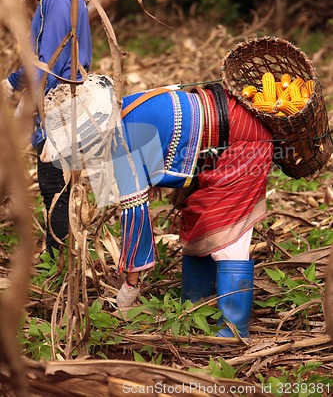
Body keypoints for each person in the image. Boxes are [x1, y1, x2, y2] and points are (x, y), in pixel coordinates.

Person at [41, 77, 274, 338]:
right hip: (219, 134)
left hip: (242, 139)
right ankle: (193, 307)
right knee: (198, 222)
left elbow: (136, 219)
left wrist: (130, 285)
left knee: (226, 233)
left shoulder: (121, 144)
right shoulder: (125, 108)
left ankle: (234, 330)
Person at [2, 0, 92, 254]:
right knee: (60, 183)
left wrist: (27, 109)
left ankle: (61, 262)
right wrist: (13, 82)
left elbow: (49, 60)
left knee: (54, 185)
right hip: (65, 100)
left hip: (57, 106)